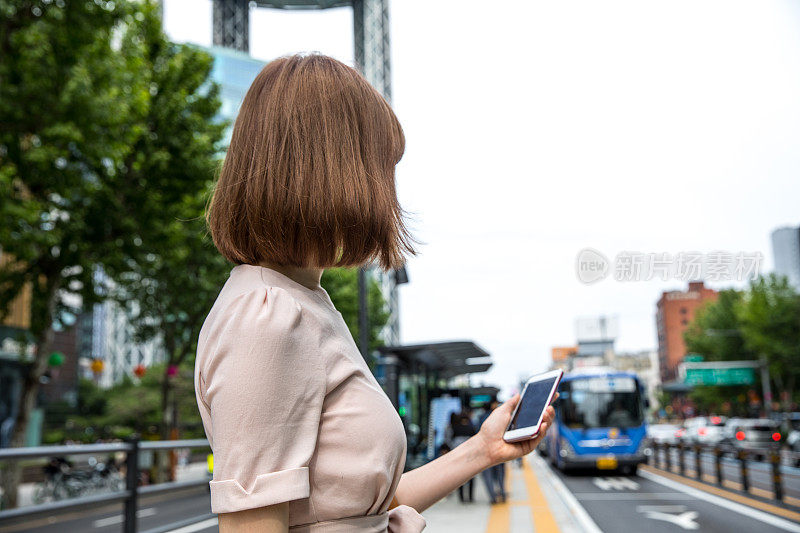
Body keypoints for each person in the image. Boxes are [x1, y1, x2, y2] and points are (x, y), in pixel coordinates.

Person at [194, 53, 556, 533]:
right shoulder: (268, 316)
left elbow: (362, 508)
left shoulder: (301, 301)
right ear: (331, 169)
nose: (387, 188)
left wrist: (482, 450)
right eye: (379, 164)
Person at [478, 401, 507, 504]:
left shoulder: (481, 418)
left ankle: (492, 497)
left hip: (485, 451)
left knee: (488, 476)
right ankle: (502, 493)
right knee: (500, 473)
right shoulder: (496, 416)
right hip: (499, 449)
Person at [448, 408, 477, 503]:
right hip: (470, 455)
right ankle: (470, 497)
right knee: (471, 477)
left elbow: (451, 441)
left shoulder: (456, 427)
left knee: (460, 477)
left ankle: (462, 498)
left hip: (458, 455)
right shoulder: (471, 427)